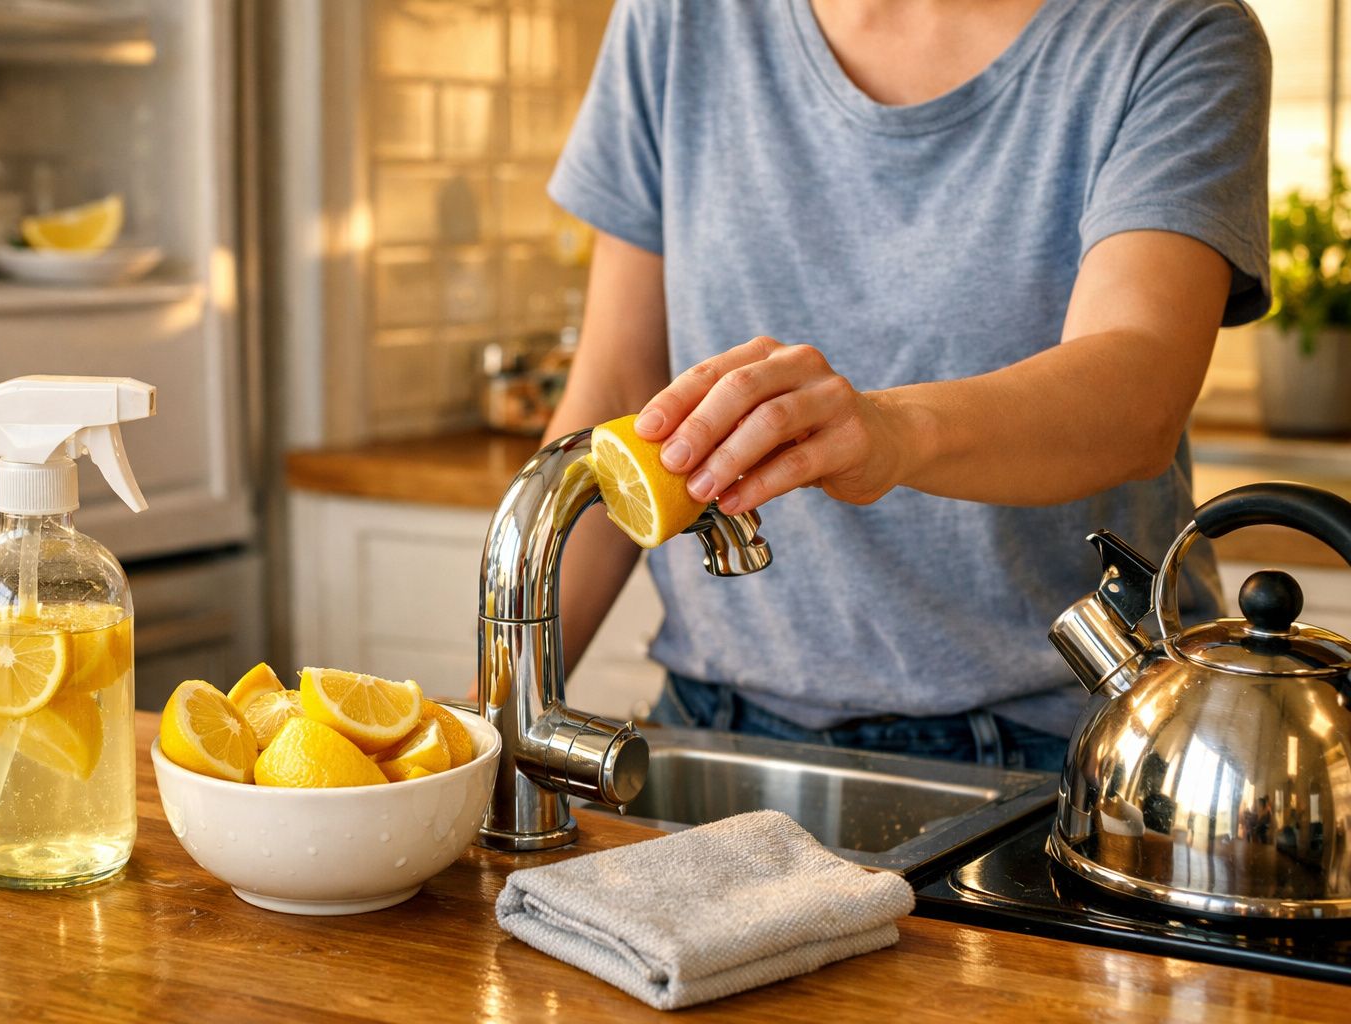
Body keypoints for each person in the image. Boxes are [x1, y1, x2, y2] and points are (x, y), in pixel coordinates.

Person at [539, 0, 1271, 772]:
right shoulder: (678, 19)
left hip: (1060, 744)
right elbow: (619, 392)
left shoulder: (1175, 32)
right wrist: (488, 721)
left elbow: (1138, 393)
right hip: (715, 717)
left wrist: (888, 431)